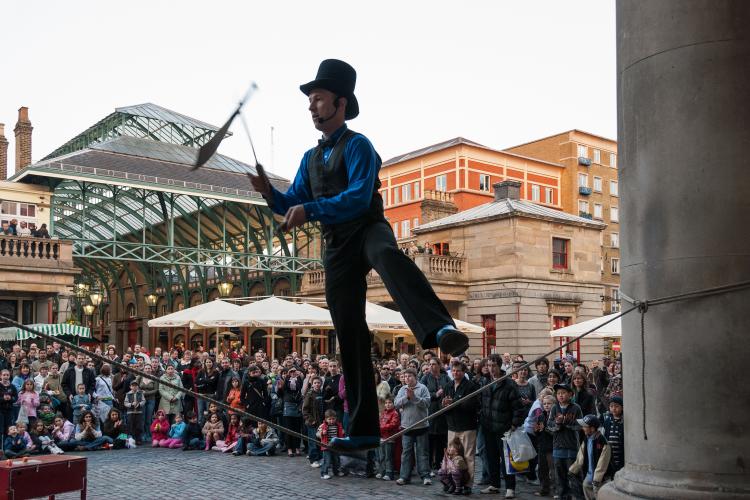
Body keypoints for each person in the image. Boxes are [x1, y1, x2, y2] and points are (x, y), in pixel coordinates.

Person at [248, 59, 468, 451]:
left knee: (388, 256)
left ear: (341, 102)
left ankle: (440, 329)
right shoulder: (310, 159)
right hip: (337, 246)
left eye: (317, 99)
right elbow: (291, 203)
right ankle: (364, 428)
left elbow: (357, 197)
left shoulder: (359, 145)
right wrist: (269, 192)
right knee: (348, 330)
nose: (311, 107)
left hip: (367, 228)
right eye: (310, 101)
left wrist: (310, 210)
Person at [442, 361, 480, 494]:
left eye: (458, 370)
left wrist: (455, 403)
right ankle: (453, 483)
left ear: (464, 372)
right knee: (452, 455)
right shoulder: (448, 386)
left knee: (468, 456)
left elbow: (472, 406)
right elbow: (445, 406)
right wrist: (445, 405)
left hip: (467, 426)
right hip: (452, 426)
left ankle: (468, 485)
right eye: (453, 371)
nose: (455, 373)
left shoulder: (471, 386)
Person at [394, 368, 432, 486]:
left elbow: (427, 404)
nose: (407, 379)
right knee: (406, 453)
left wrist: (414, 398)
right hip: (406, 426)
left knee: (422, 452)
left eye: (410, 376)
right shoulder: (402, 389)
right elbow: (396, 403)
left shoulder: (423, 388)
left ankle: (425, 475)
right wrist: (407, 398)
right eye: (405, 377)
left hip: (421, 426)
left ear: (415, 377)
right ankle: (404, 476)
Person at [548, 384, 583, 500]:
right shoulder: (554, 408)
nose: (561, 395)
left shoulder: (576, 408)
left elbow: (579, 426)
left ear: (570, 394)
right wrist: (558, 424)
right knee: (560, 476)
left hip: (572, 447)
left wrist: (566, 422)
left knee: (574, 475)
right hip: (558, 447)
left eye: (563, 392)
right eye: (558, 393)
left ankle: (579, 497)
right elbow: (549, 426)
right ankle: (564, 496)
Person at [569, 415, 613, 499]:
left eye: (585, 426)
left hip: (600, 479)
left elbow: (603, 463)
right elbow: (580, 457)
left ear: (592, 429)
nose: (582, 428)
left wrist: (597, 479)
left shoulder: (603, 442)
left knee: (599, 495)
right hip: (589, 476)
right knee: (585, 487)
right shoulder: (586, 439)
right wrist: (573, 470)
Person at [421, 357, 451, 472]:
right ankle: (428, 465)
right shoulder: (425, 378)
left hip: (443, 413)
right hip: (431, 412)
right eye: (430, 364)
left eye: (434, 364)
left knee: (442, 440)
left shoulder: (445, 377)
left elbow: (450, 389)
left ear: (439, 365)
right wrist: (436, 394)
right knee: (430, 440)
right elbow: (423, 393)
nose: (431, 366)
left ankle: (439, 464)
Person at [302, 375, 325, 468]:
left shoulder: (321, 393)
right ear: (312, 384)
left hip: (321, 421)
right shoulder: (309, 394)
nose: (317, 384)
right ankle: (313, 459)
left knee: (320, 440)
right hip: (313, 422)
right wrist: (311, 420)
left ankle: (320, 458)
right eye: (315, 383)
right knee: (313, 441)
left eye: (318, 383)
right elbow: (305, 409)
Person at [377, 394, 400, 481]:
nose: (387, 404)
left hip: (390, 438)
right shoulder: (383, 413)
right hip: (382, 437)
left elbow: (393, 425)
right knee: (381, 456)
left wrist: (382, 427)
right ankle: (382, 471)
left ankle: (389, 473)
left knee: (388, 456)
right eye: (386, 403)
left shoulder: (395, 413)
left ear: (393, 403)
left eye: (390, 402)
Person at [317, 409, 345, 480]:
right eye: (329, 419)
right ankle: (324, 473)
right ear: (326, 419)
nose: (331, 421)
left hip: (335, 446)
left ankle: (336, 471)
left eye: (333, 419)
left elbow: (340, 434)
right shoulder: (323, 426)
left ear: (336, 418)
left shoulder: (338, 425)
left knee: (336, 460)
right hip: (326, 446)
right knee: (327, 460)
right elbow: (318, 434)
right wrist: (322, 433)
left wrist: (342, 434)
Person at [601, 396, 624, 474]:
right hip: (610, 451)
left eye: (617, 406)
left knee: (619, 468)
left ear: (622, 407)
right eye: (611, 406)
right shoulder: (607, 421)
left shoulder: (624, 422)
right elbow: (603, 435)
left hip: (620, 451)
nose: (614, 408)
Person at [124, 379, 144, 444]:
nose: (134, 387)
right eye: (133, 386)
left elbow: (144, 401)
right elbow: (125, 403)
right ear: (130, 387)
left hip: (139, 412)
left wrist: (139, 404)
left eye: (136, 386)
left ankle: (138, 439)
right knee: (131, 426)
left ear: (138, 386)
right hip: (130, 412)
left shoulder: (140, 393)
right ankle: (132, 439)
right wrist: (131, 404)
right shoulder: (128, 394)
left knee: (138, 426)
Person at [0, 369, 17, 440]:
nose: (6, 376)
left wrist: (10, 398)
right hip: (0, 410)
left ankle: (7, 446)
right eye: (4, 375)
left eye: (7, 375)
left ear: (9, 376)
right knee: (1, 428)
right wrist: (3, 399)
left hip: (9, 410)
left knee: (8, 427)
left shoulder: (12, 386)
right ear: (0, 376)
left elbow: (16, 397)